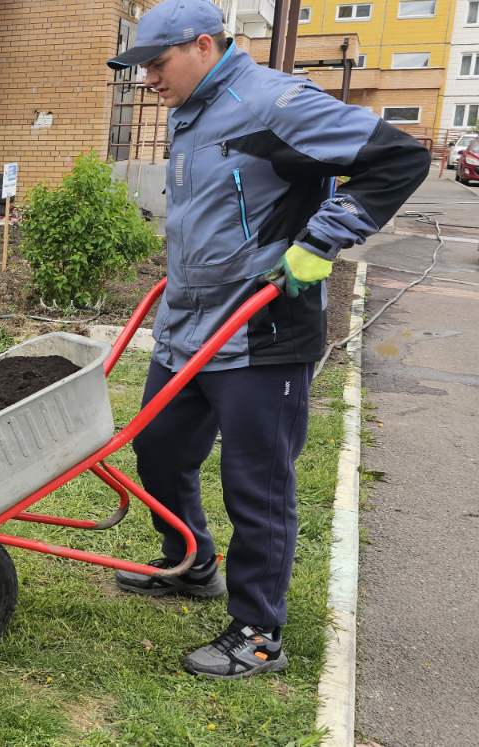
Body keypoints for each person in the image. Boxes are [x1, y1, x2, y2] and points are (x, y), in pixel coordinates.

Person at [104, 0, 425, 679]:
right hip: (190, 327)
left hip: (262, 328)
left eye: (156, 65)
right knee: (159, 450)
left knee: (258, 484)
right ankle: (191, 562)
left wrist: (318, 245)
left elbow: (395, 159)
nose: (148, 82)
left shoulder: (274, 101)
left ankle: (257, 633)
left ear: (202, 45)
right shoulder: (190, 111)